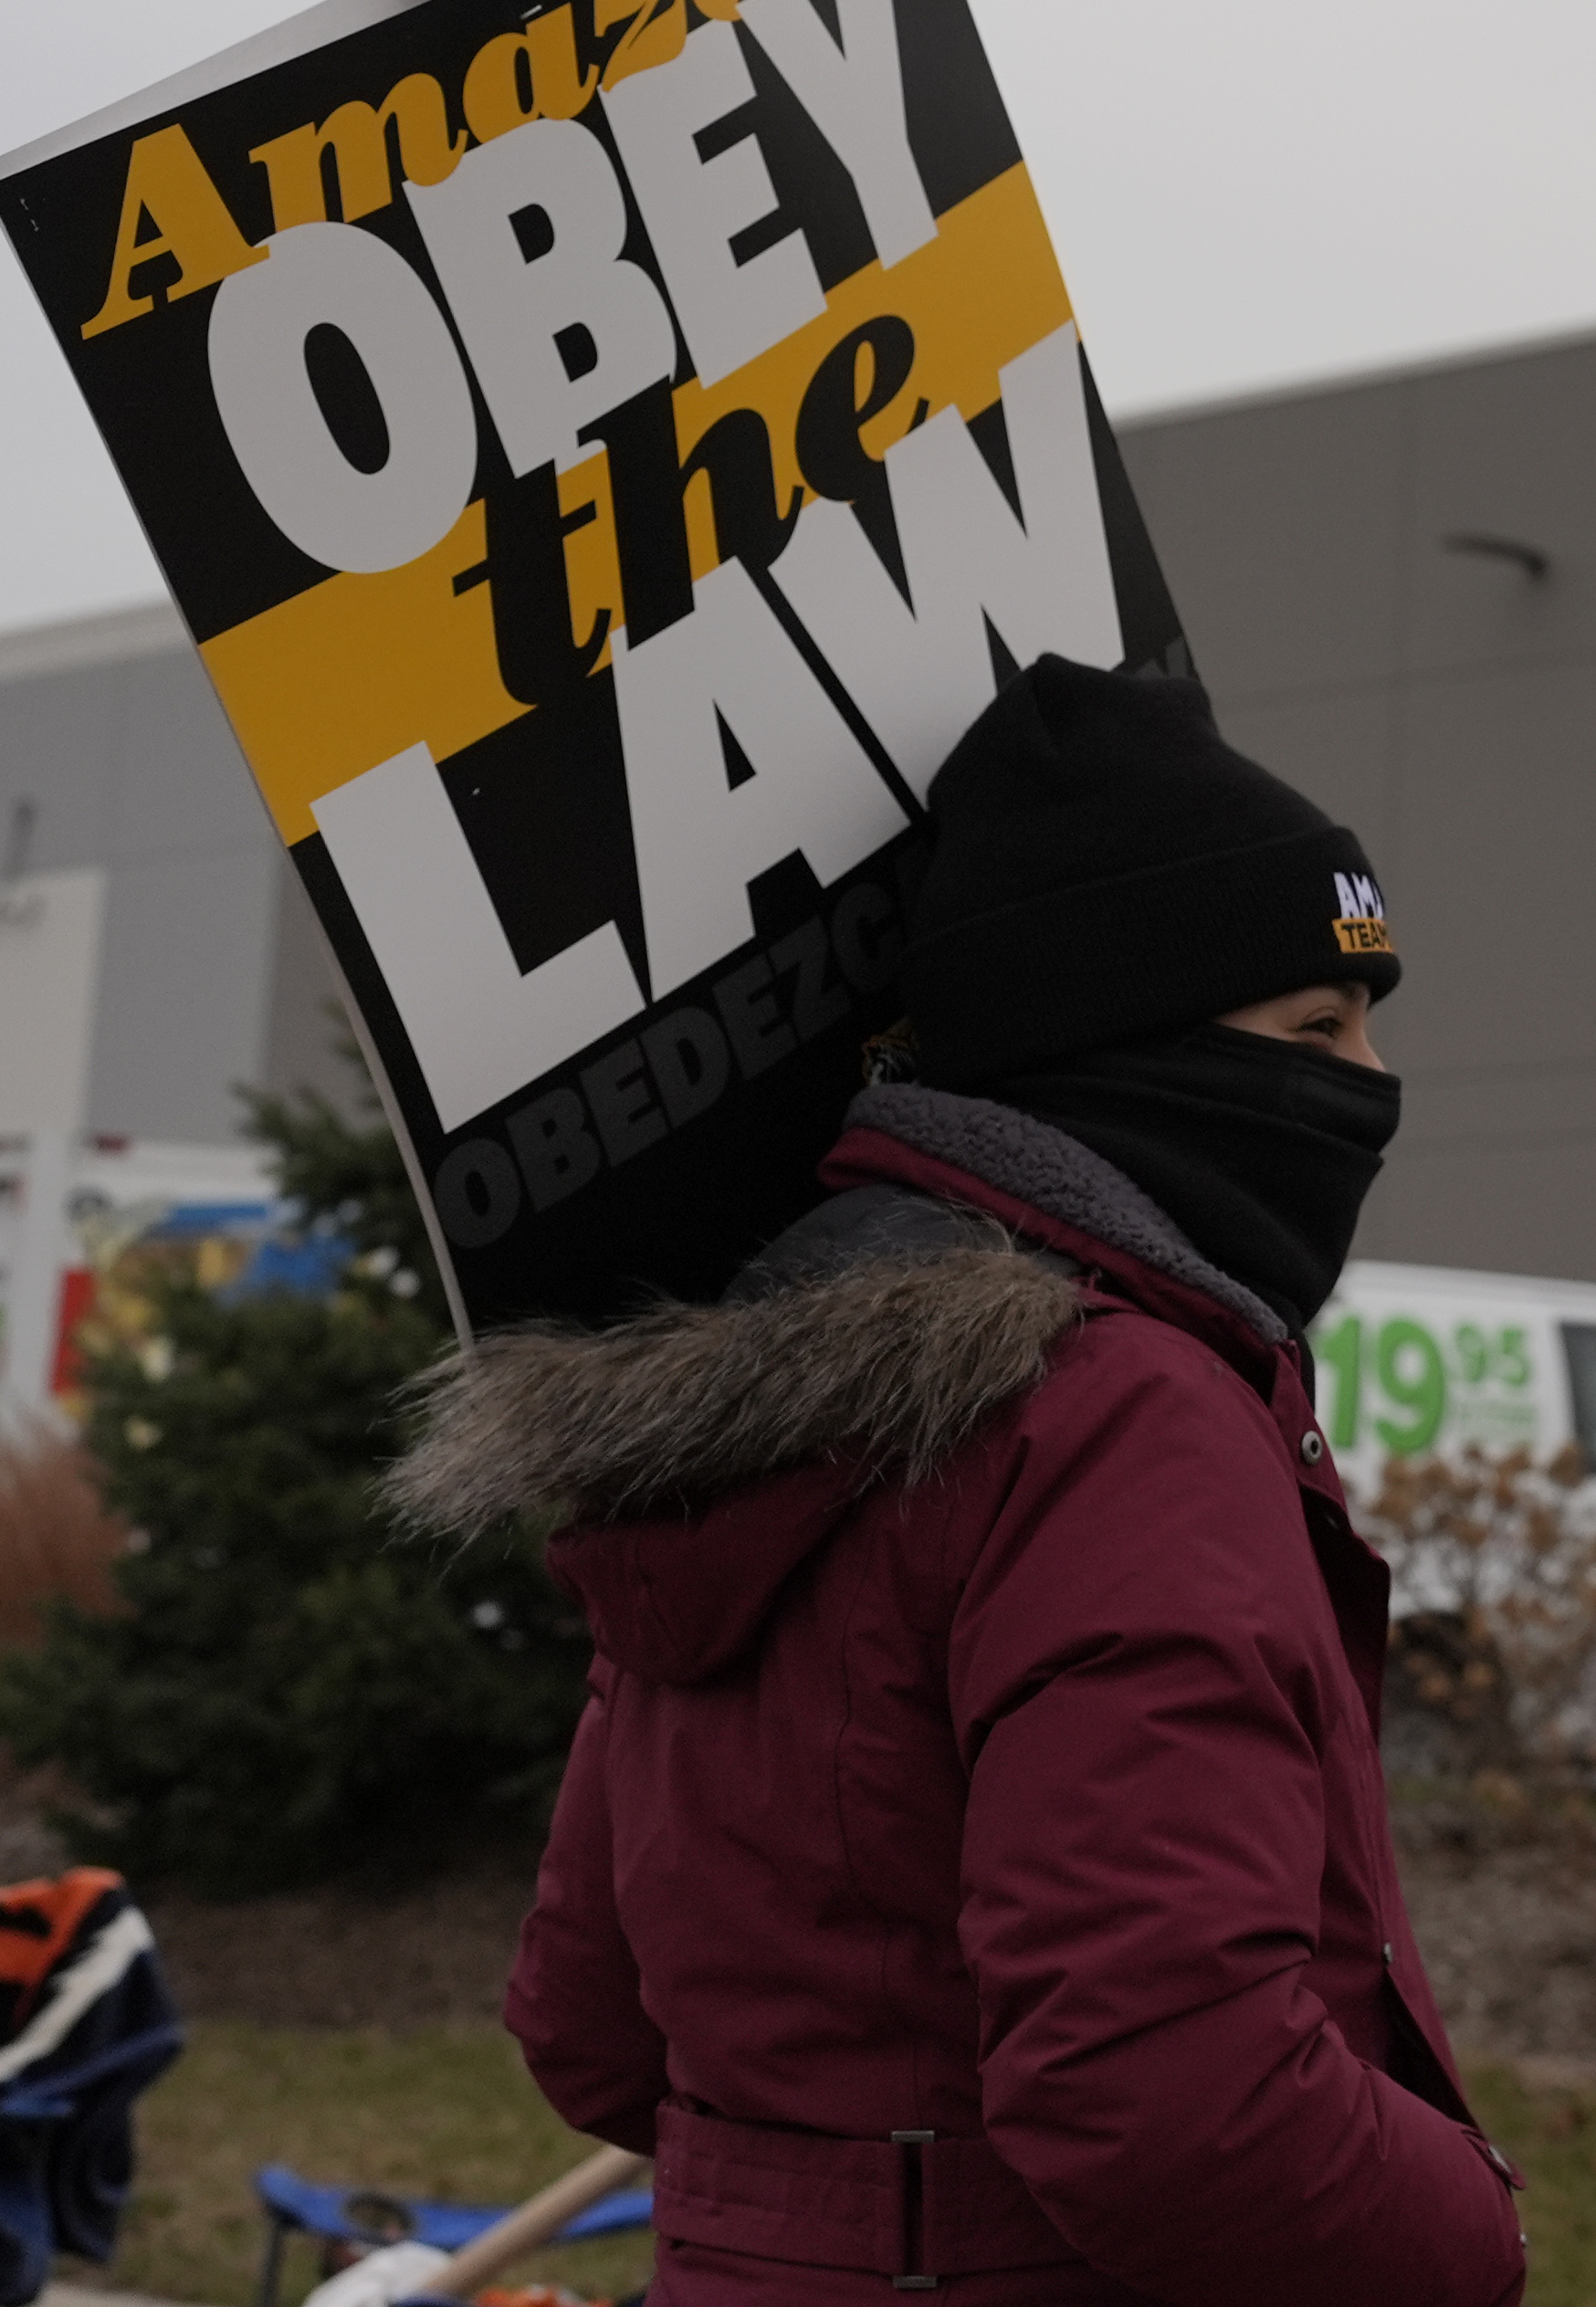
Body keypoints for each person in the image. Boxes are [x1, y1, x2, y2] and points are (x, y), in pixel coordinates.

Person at [399, 656, 1522, 2307]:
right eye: (1312, 1023)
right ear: (1112, 1039)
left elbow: (592, 2023)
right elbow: (1168, 2097)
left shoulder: (733, 1398)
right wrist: (1473, 2238)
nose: (1365, 1083)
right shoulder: (1121, 1410)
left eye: (1367, 1022)